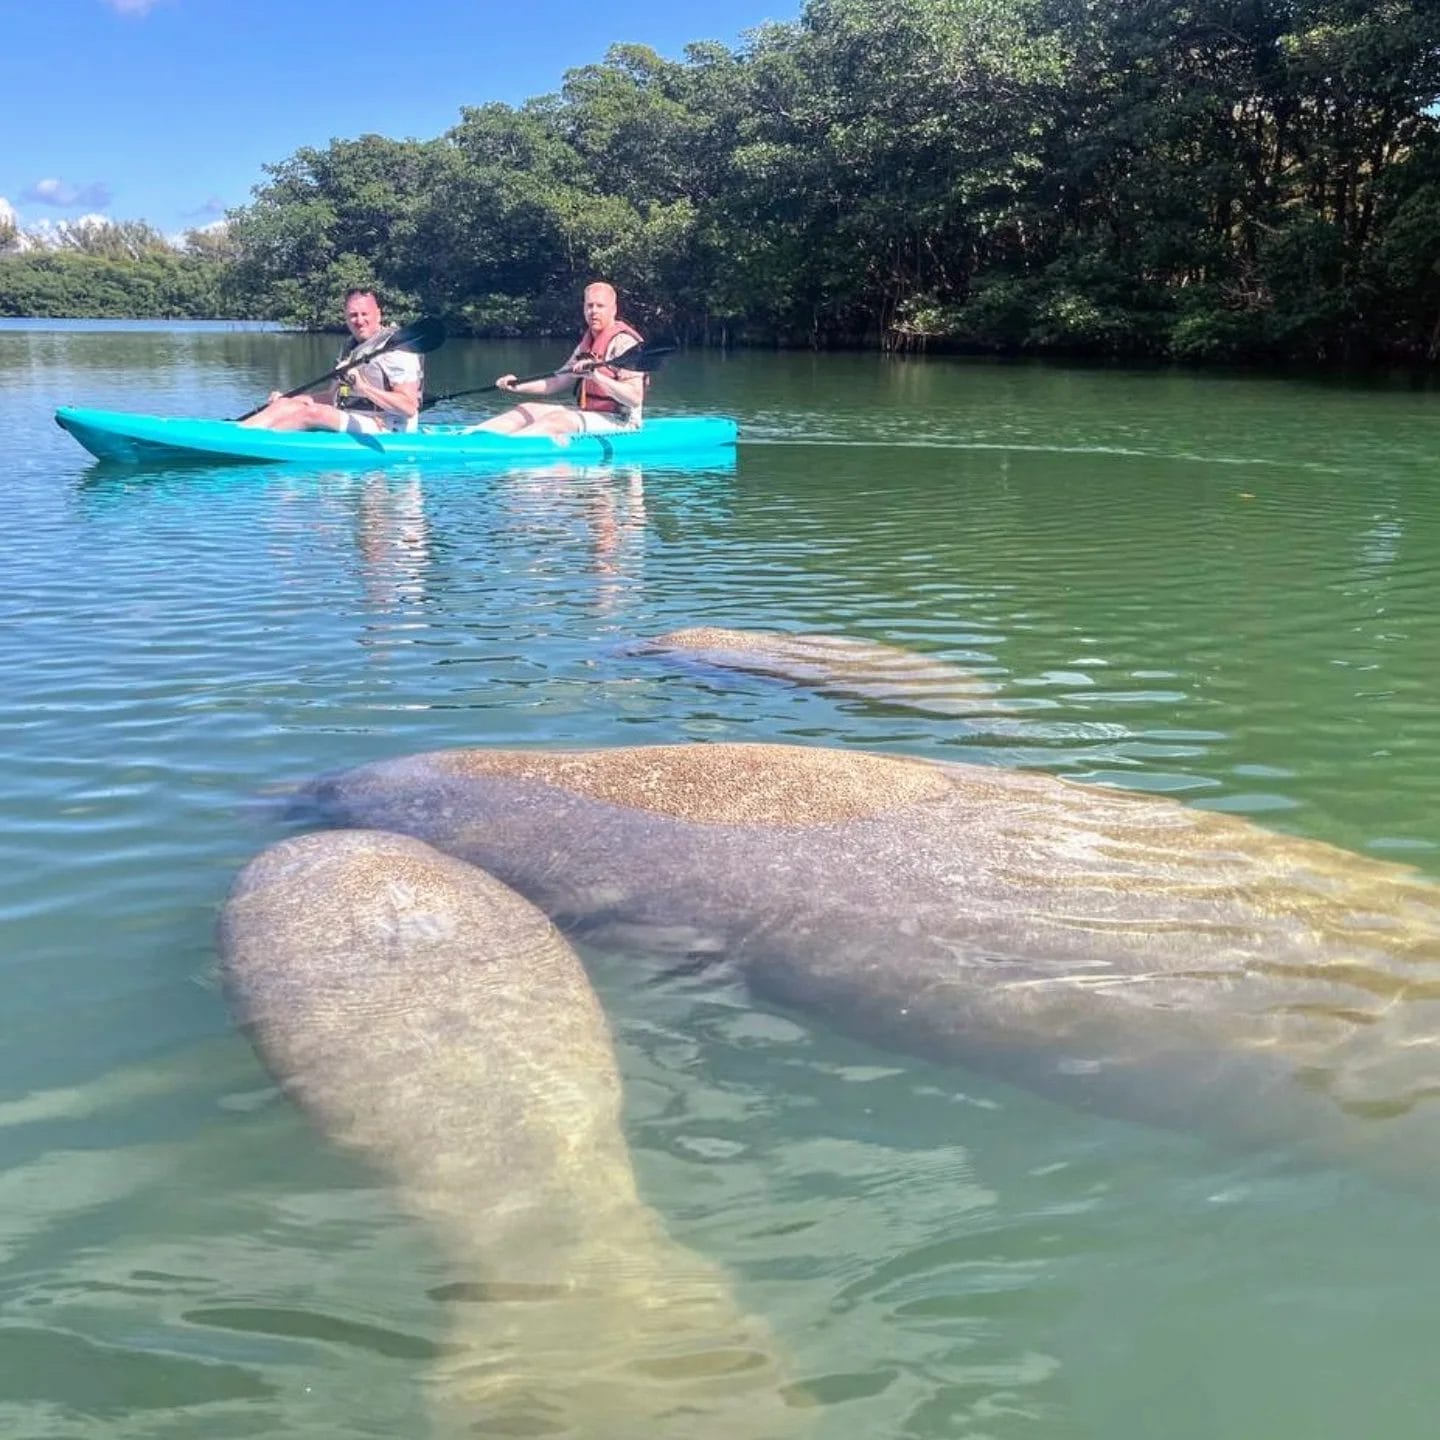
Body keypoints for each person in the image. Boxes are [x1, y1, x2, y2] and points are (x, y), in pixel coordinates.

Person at [468, 282, 645, 436]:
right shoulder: (588, 343)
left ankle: (506, 449)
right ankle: (467, 438)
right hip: (591, 413)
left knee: (557, 421)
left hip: (622, 421)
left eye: (600, 306)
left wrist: (596, 376)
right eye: (589, 306)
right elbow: (557, 381)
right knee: (527, 409)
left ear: (614, 309)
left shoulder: (626, 344)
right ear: (583, 308)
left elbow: (634, 398)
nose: (593, 311)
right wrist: (516, 385)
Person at [239, 289, 423, 433]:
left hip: (390, 427)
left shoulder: (397, 351)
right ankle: (241, 431)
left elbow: (409, 407)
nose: (359, 320)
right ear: (346, 317)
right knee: (287, 403)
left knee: (314, 413)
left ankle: (254, 442)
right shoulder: (350, 348)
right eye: (353, 315)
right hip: (356, 418)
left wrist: (364, 388)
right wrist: (289, 400)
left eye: (364, 314)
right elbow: (331, 397)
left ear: (378, 314)